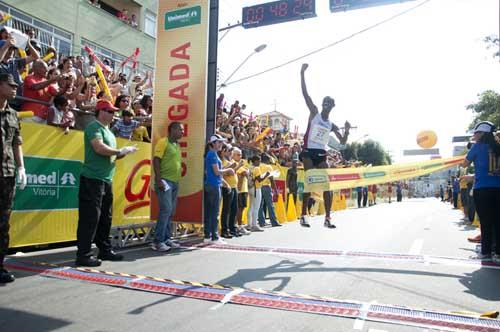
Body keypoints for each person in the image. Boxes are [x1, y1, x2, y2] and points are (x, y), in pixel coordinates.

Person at [75, 100, 138, 267]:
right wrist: (119, 151)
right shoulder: (93, 127)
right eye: (110, 111)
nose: (113, 114)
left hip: (106, 179)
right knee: (90, 218)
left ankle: (104, 249)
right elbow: (99, 148)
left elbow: (112, 156)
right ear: (100, 111)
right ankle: (83, 254)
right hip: (92, 179)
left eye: (113, 112)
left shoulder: (109, 132)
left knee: (105, 217)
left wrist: (124, 153)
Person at [298, 63, 350, 228]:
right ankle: (303, 215)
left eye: (329, 103)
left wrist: (347, 130)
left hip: (321, 153)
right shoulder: (314, 113)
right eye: (324, 102)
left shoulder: (331, 125)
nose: (326, 104)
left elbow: (342, 143)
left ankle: (327, 218)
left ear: (332, 106)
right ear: (322, 104)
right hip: (308, 151)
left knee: (327, 185)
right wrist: (302, 74)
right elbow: (305, 95)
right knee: (310, 180)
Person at [0, 74, 26, 283]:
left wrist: (22, 168)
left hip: (7, 173)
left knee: (3, 223)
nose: (15, 88)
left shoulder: (13, 115)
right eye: (11, 85)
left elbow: (17, 143)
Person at [462, 121, 500, 260]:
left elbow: (465, 163)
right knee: (497, 221)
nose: (474, 135)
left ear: (482, 133)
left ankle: (485, 252)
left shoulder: (477, 147)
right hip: (498, 188)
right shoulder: (498, 147)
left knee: (485, 221)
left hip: (482, 188)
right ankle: (498, 252)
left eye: (476, 133)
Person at [152, 122, 184, 252]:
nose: (182, 132)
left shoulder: (177, 145)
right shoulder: (163, 142)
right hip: (165, 182)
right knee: (166, 210)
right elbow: (156, 160)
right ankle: (158, 242)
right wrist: (159, 179)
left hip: (175, 182)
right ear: (172, 130)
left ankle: (166, 238)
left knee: (171, 211)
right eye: (180, 130)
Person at [204, 134, 234, 243]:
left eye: (221, 142)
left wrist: (224, 182)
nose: (221, 144)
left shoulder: (211, 154)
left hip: (211, 184)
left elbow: (213, 173)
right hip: (213, 186)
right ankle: (214, 237)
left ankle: (208, 236)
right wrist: (229, 170)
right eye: (219, 142)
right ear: (213, 143)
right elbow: (217, 172)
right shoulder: (212, 155)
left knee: (209, 211)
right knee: (214, 212)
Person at [257, 154, 282, 228]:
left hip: (259, 187)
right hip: (267, 187)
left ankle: (262, 222)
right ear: (267, 160)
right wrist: (276, 191)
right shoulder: (268, 167)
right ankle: (274, 221)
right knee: (270, 205)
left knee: (260, 206)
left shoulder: (258, 166)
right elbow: (271, 179)